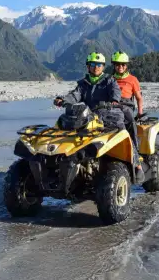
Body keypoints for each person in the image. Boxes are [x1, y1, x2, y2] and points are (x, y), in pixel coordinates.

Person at [54, 51, 144, 182]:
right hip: (89, 115)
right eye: (93, 64)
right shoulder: (83, 84)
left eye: (99, 65)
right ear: (88, 66)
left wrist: (114, 100)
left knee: (123, 130)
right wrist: (63, 100)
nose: (96, 67)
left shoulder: (109, 80)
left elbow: (115, 91)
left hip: (110, 113)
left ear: (103, 67)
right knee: (65, 128)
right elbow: (75, 95)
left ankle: (137, 163)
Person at [111, 50, 143, 149]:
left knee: (130, 121)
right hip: (112, 104)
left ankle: (135, 149)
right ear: (114, 65)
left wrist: (140, 112)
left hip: (126, 105)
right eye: (117, 64)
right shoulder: (110, 79)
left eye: (123, 64)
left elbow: (139, 98)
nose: (120, 66)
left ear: (126, 65)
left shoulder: (133, 79)